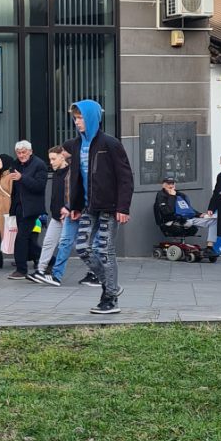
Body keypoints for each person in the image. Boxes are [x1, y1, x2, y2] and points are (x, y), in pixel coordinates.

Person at [67, 99, 133, 315]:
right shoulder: (76, 145)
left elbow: (125, 177)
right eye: (75, 118)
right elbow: (76, 177)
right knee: (82, 248)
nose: (77, 122)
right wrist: (75, 205)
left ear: (92, 118)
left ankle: (110, 299)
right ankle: (112, 286)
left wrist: (123, 208)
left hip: (110, 207)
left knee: (104, 250)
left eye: (81, 118)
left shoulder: (110, 144)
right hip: (88, 207)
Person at [29, 144, 73, 286]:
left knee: (74, 246)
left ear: (62, 157)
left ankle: (95, 273)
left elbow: (73, 194)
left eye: (54, 159)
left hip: (69, 216)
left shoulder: (71, 173)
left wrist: (69, 209)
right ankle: (40, 271)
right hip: (56, 216)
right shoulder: (56, 173)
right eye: (50, 159)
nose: (51, 162)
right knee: (48, 242)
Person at [6, 138, 47, 278]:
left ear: (30, 152)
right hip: (19, 207)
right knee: (28, 240)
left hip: (32, 208)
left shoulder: (39, 165)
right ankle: (49, 261)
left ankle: (21, 269)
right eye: (18, 153)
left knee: (21, 238)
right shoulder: (15, 164)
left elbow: (39, 186)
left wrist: (22, 177)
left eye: (23, 152)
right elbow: (14, 189)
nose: (21, 155)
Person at [154, 176, 215, 246]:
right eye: (168, 184)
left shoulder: (180, 195)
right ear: (163, 185)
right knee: (187, 223)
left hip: (188, 219)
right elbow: (168, 212)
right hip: (173, 222)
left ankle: (209, 246)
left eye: (172, 183)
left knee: (213, 221)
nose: (171, 186)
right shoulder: (161, 195)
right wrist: (172, 197)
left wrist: (199, 214)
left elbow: (187, 209)